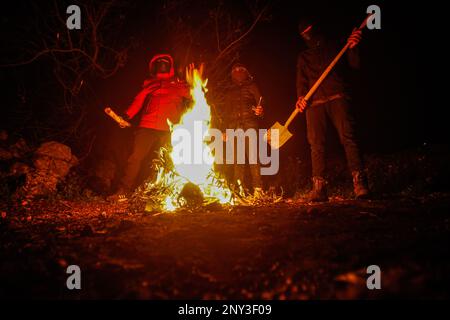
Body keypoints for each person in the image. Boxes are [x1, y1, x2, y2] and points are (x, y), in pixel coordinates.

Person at [296, 19, 370, 201]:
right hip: (313, 103)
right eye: (304, 33)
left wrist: (352, 47)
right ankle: (319, 188)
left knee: (348, 137)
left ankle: (359, 182)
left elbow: (355, 65)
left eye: (309, 30)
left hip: (337, 96)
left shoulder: (336, 45)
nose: (308, 35)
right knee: (315, 144)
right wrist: (300, 98)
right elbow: (301, 83)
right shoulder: (303, 57)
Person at [109, 54, 191, 202]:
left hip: (170, 129)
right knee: (135, 158)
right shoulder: (149, 84)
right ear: (154, 66)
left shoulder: (179, 85)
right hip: (147, 125)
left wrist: (195, 84)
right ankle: (124, 190)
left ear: (170, 66)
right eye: (159, 63)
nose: (162, 65)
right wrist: (127, 116)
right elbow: (138, 101)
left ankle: (173, 191)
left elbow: (196, 95)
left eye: (165, 63)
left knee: (170, 160)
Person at [222, 63, 264, 195]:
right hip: (233, 126)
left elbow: (261, 104)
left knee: (252, 157)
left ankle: (258, 189)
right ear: (232, 73)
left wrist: (260, 111)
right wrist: (224, 130)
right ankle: (239, 189)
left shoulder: (252, 86)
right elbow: (226, 111)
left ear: (246, 71)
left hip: (249, 124)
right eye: (235, 70)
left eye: (241, 69)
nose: (238, 71)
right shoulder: (229, 90)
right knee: (237, 160)